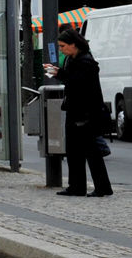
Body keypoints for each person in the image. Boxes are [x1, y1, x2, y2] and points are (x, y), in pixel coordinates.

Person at [46, 28, 114, 197]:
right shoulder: (72, 59)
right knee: (74, 151)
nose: (61, 49)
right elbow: (71, 79)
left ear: (73, 44)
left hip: (86, 113)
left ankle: (102, 187)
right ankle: (77, 186)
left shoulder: (86, 62)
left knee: (91, 153)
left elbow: (80, 83)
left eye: (63, 46)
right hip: (75, 110)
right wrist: (59, 72)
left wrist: (59, 73)